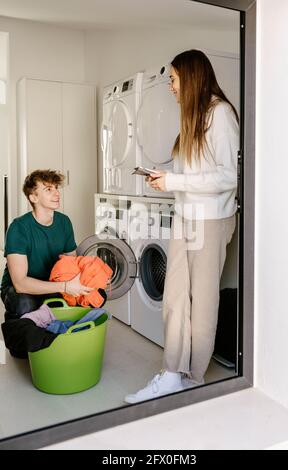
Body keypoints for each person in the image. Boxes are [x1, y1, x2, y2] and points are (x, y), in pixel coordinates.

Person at [124, 49, 239, 403]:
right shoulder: (193, 116)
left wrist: (173, 182)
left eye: (173, 79)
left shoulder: (220, 114)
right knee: (174, 295)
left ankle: (191, 376)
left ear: (191, 77)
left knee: (201, 302)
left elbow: (227, 176)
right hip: (187, 218)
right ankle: (173, 371)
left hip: (211, 219)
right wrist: (164, 179)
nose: (171, 87)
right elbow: (193, 174)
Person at [0, 169, 105, 355]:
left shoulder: (64, 222)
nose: (57, 193)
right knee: (25, 304)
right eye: (48, 189)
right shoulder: (19, 228)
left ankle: (58, 332)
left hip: (56, 283)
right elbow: (20, 283)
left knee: (98, 294)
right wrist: (64, 287)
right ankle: (20, 336)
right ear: (33, 197)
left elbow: (73, 264)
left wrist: (92, 279)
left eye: (56, 188)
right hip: (21, 289)